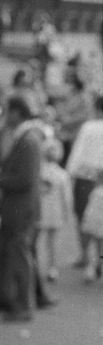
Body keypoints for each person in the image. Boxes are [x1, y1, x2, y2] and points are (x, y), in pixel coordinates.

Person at [0, 95, 47, 322]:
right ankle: (7, 298)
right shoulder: (25, 137)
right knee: (5, 252)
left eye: (7, 111)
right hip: (15, 207)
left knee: (19, 256)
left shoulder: (28, 140)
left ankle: (22, 305)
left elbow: (25, 178)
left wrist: (0, 180)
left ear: (16, 113)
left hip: (20, 208)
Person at [66, 95, 103, 271]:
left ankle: (85, 255)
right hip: (98, 179)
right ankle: (99, 259)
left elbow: (77, 153)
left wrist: (69, 174)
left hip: (85, 178)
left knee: (83, 218)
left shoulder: (88, 127)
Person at [36, 135, 73, 282]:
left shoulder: (38, 172)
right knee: (52, 242)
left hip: (40, 211)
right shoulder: (63, 175)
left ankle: (37, 266)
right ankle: (52, 268)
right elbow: (67, 198)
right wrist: (66, 213)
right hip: (55, 212)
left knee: (37, 240)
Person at [79, 170, 103, 283]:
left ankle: (90, 271)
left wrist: (85, 223)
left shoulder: (96, 192)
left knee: (91, 248)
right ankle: (97, 271)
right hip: (99, 225)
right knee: (99, 250)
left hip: (94, 224)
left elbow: (90, 210)